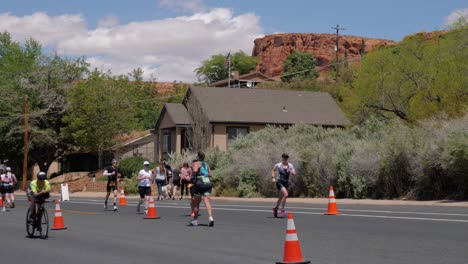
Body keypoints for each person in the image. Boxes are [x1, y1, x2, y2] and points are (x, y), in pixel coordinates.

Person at [190, 151, 214, 227]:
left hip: (200, 183)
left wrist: (193, 175)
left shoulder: (196, 163)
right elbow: (210, 174)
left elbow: (195, 171)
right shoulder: (206, 164)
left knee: (196, 203)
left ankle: (195, 220)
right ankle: (210, 217)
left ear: (197, 157)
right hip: (208, 182)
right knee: (207, 201)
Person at [271, 153, 296, 218]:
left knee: (280, 198)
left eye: (286, 158)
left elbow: (294, 172)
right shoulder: (278, 165)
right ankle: (282, 210)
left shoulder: (290, 165)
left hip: (286, 183)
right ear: (282, 158)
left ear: (287, 158)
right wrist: (273, 177)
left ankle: (275, 209)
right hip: (280, 182)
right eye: (284, 157)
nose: (285, 159)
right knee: (286, 195)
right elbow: (273, 170)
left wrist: (293, 172)